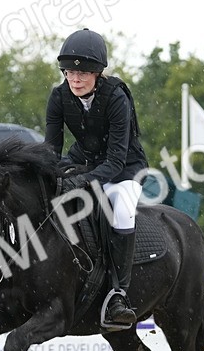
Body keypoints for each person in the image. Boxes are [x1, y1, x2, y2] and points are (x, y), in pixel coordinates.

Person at [46, 28, 147, 330]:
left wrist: (84, 180)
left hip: (126, 167)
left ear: (97, 73)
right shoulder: (59, 96)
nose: (74, 79)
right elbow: (52, 149)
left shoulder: (116, 97)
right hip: (83, 160)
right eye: (69, 72)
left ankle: (119, 294)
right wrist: (52, 175)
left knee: (121, 208)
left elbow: (116, 159)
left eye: (82, 73)